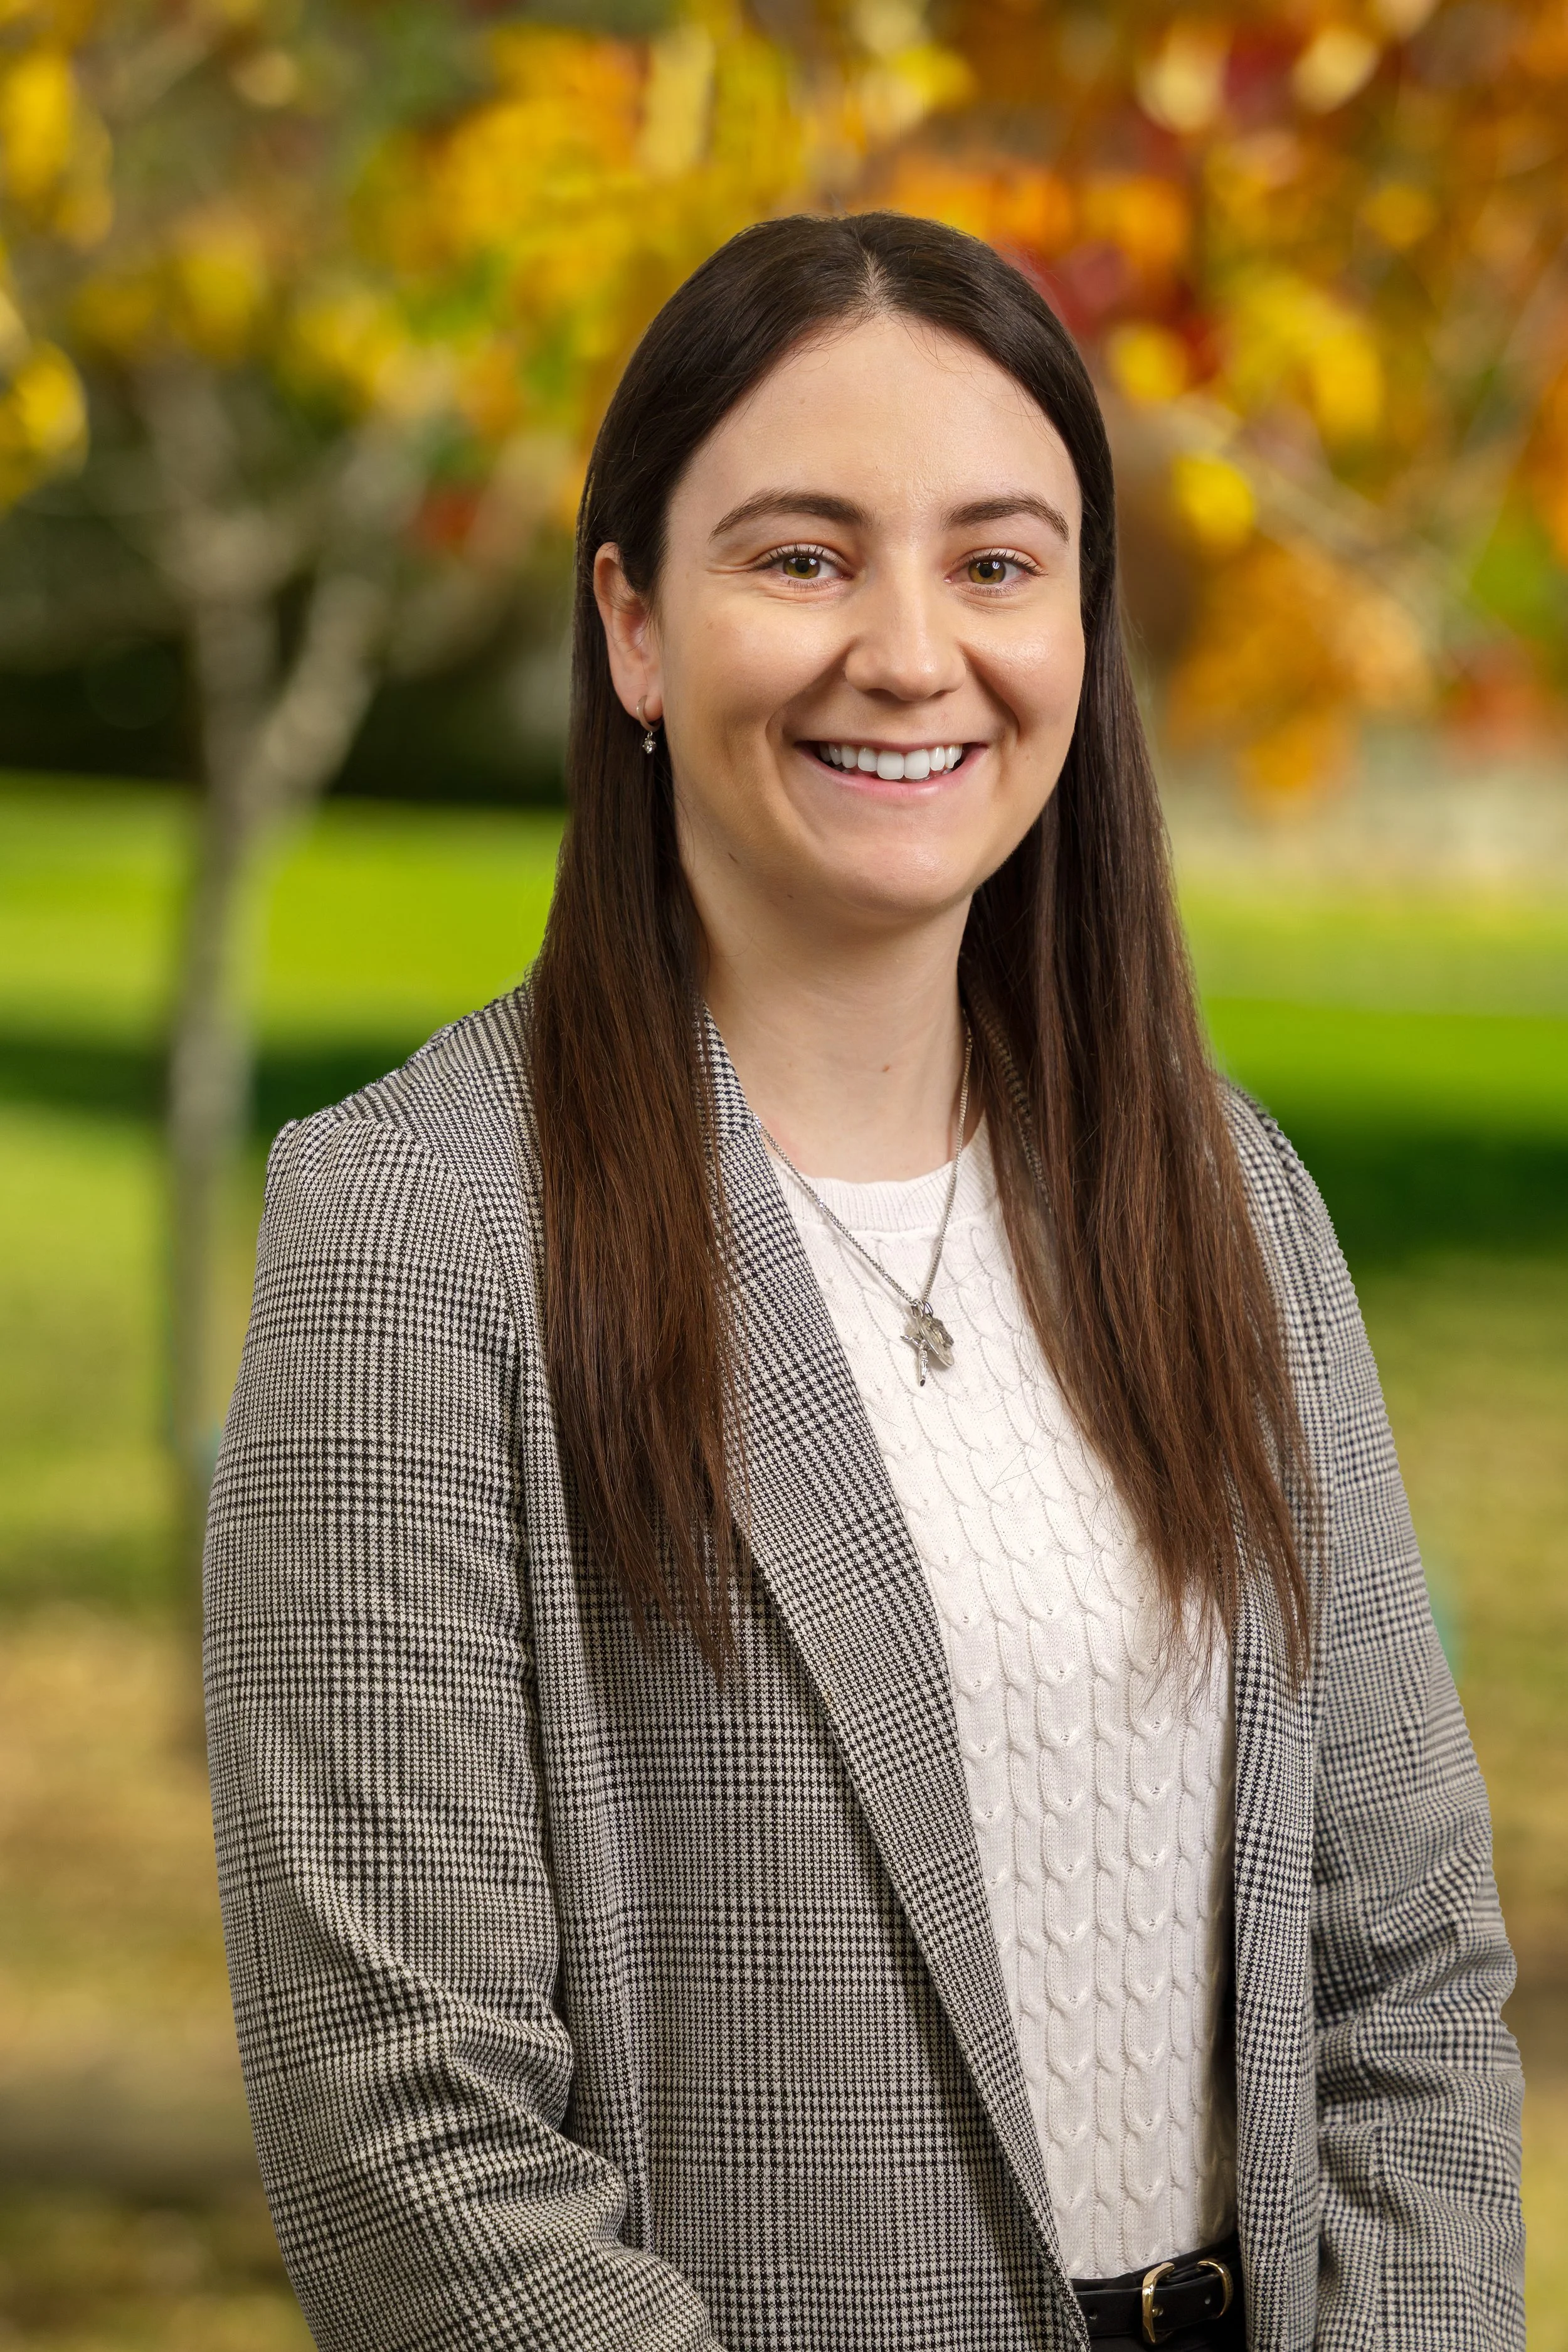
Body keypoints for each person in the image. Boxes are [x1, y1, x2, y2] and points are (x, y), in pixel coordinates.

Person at [204, 213, 1523, 2351]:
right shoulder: (420, 1232)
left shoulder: (1227, 1199)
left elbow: (1405, 1978)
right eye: (801, 557)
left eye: (995, 563)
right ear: (632, 622)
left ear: (1078, 626)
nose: (910, 652)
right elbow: (408, 2140)